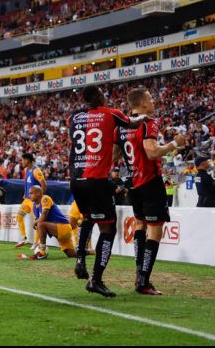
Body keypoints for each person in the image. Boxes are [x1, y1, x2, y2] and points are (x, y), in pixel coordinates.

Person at [68, 85, 144, 298]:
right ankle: (96, 279)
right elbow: (133, 122)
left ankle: (80, 258)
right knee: (108, 229)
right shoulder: (111, 113)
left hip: (76, 180)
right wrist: (146, 117)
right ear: (100, 96)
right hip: (96, 180)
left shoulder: (74, 118)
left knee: (88, 218)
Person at [124, 88, 186, 296]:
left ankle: (139, 274)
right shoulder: (148, 122)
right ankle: (143, 280)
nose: (153, 101)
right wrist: (174, 144)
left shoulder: (122, 125)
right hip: (149, 181)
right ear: (142, 103)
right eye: (150, 98)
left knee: (140, 224)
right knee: (155, 229)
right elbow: (151, 152)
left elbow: (117, 154)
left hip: (132, 182)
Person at [27, 186, 77, 260]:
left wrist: (36, 222)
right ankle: (86, 252)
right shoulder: (34, 207)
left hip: (63, 227)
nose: (29, 195)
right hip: (58, 230)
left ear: (38, 193)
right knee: (72, 254)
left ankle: (42, 253)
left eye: (31, 193)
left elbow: (43, 216)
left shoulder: (45, 198)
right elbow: (39, 225)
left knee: (40, 224)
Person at [14, 153, 47, 250]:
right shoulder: (26, 170)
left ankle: (37, 242)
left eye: (23, 160)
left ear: (28, 160)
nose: (22, 162)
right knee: (19, 216)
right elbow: (26, 183)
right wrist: (25, 193)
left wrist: (39, 198)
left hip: (34, 201)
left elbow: (44, 185)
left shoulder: (36, 171)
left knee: (37, 221)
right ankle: (24, 238)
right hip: (27, 199)